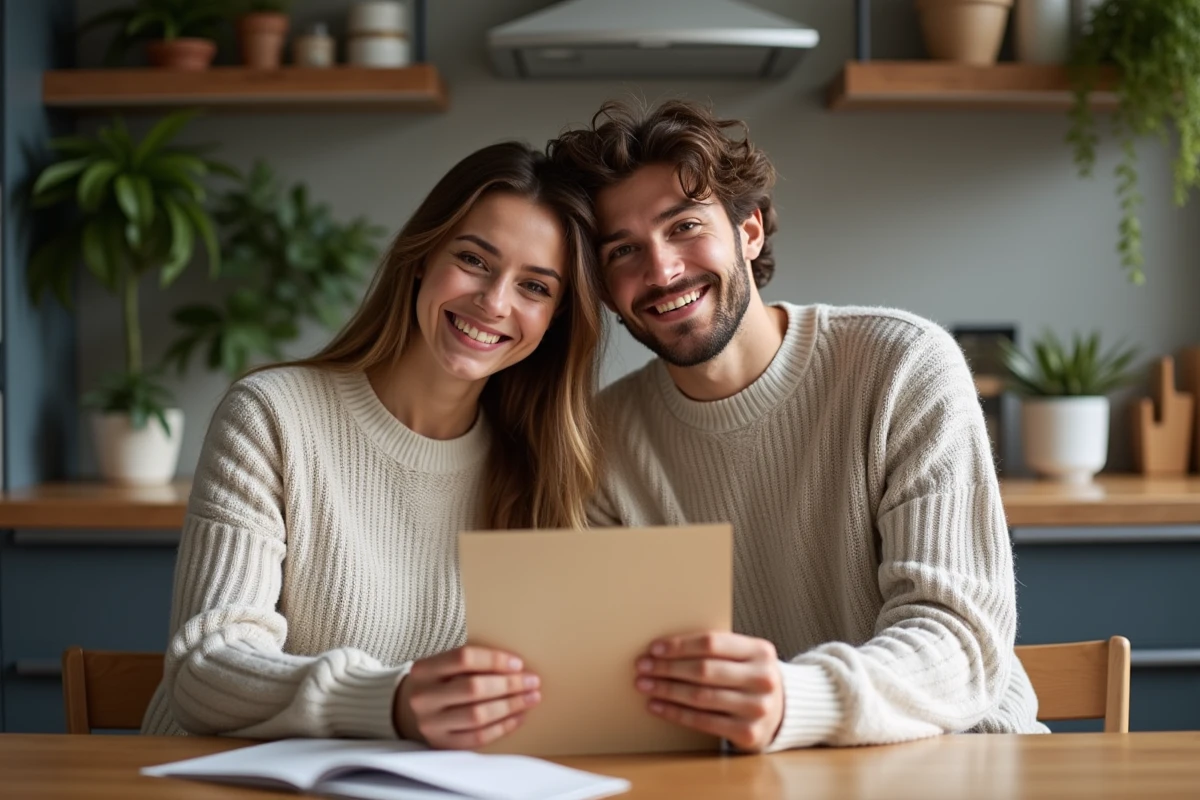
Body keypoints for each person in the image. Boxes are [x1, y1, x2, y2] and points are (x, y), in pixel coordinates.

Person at [548, 100, 1048, 753]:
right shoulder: (604, 437)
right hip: (753, 776)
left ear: (749, 231)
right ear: (604, 286)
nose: (661, 270)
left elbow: (957, 643)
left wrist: (794, 699)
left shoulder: (903, 366)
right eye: (623, 251)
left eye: (685, 226)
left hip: (960, 758)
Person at [141, 142, 606, 749]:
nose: (494, 303)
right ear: (421, 257)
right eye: (472, 259)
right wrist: (391, 702)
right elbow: (205, 668)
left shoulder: (550, 467)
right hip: (225, 778)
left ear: (555, 322)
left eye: (535, 288)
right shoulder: (271, 415)